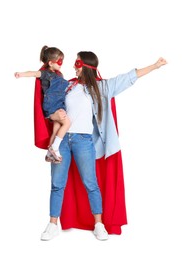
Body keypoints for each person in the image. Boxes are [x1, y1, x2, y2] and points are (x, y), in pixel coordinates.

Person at [37, 51, 167, 241]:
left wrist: (155, 66)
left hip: (84, 141)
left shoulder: (102, 87)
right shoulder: (67, 86)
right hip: (62, 140)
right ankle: (52, 224)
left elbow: (129, 77)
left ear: (86, 66)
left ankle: (99, 224)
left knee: (91, 184)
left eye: (77, 63)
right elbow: (49, 95)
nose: (74, 67)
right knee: (57, 184)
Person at [15, 46, 71, 162]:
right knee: (67, 123)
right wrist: (21, 74)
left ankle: (49, 154)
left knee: (56, 128)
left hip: (58, 104)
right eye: (59, 61)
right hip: (52, 105)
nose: (61, 63)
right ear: (51, 63)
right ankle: (54, 148)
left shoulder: (59, 75)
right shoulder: (46, 74)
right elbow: (34, 73)